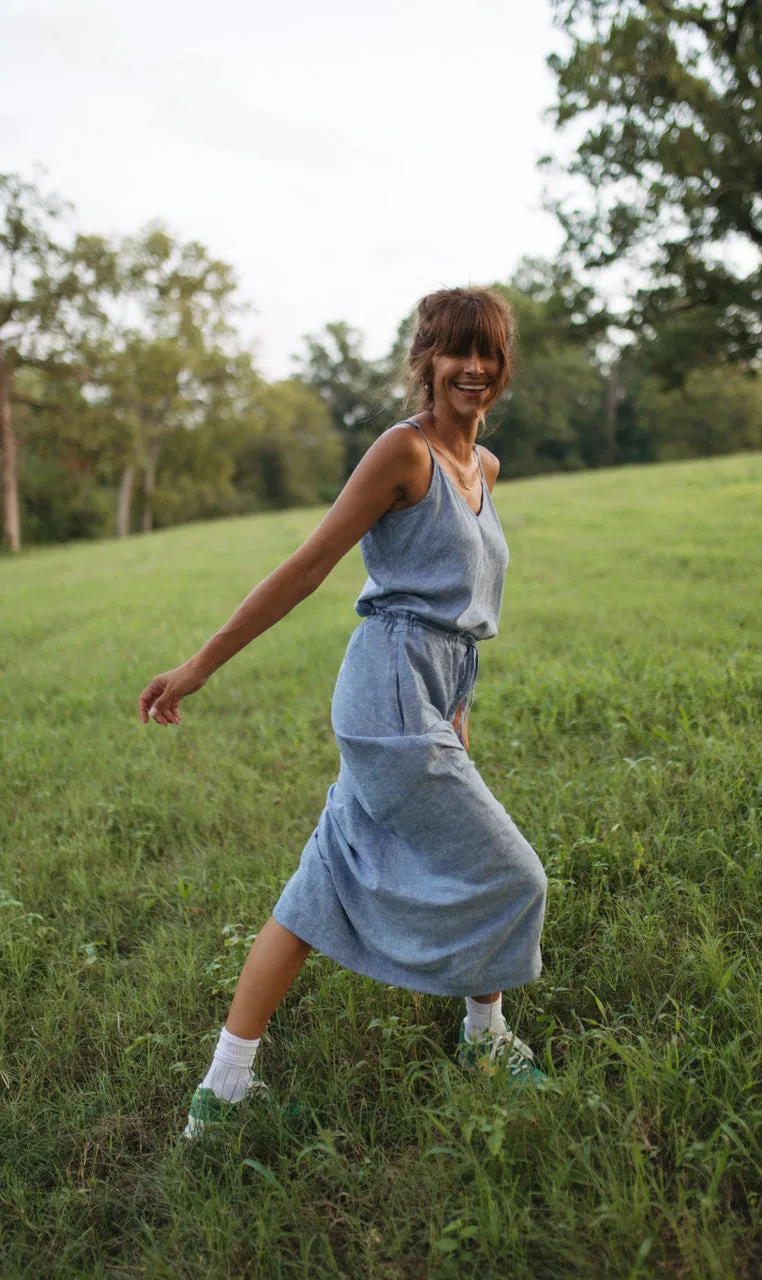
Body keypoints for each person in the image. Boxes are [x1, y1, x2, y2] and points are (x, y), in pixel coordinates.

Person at [138, 286, 549, 1138]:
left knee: (317, 889)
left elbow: (459, 615)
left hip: (433, 687)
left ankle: (223, 1092)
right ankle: (483, 1036)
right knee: (513, 875)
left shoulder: (486, 468)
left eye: (489, 353)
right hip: (388, 689)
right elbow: (308, 564)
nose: (473, 368)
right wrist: (199, 665)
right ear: (426, 361)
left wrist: (459, 720)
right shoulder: (405, 452)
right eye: (455, 351)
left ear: (503, 366)